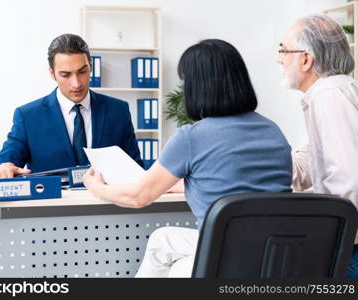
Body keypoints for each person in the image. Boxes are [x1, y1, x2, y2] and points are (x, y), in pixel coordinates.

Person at [84, 39, 293, 277]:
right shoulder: (273, 132)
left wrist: (97, 188)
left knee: (177, 268)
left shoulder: (191, 137)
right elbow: (244, 187)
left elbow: (138, 196)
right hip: (274, 255)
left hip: (226, 256)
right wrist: (188, 187)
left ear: (198, 87)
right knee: (162, 240)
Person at [0, 33, 142, 178]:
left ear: (91, 66)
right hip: (53, 204)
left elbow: (136, 169)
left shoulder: (118, 111)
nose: (76, 83)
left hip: (107, 203)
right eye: (65, 75)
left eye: (82, 72)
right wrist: (2, 169)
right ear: (52, 73)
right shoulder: (28, 116)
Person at [277, 14, 358, 278]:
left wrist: (326, 240)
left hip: (350, 247)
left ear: (306, 59)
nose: (279, 59)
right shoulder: (330, 92)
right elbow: (306, 165)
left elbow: (348, 180)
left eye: (283, 50)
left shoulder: (330, 95)